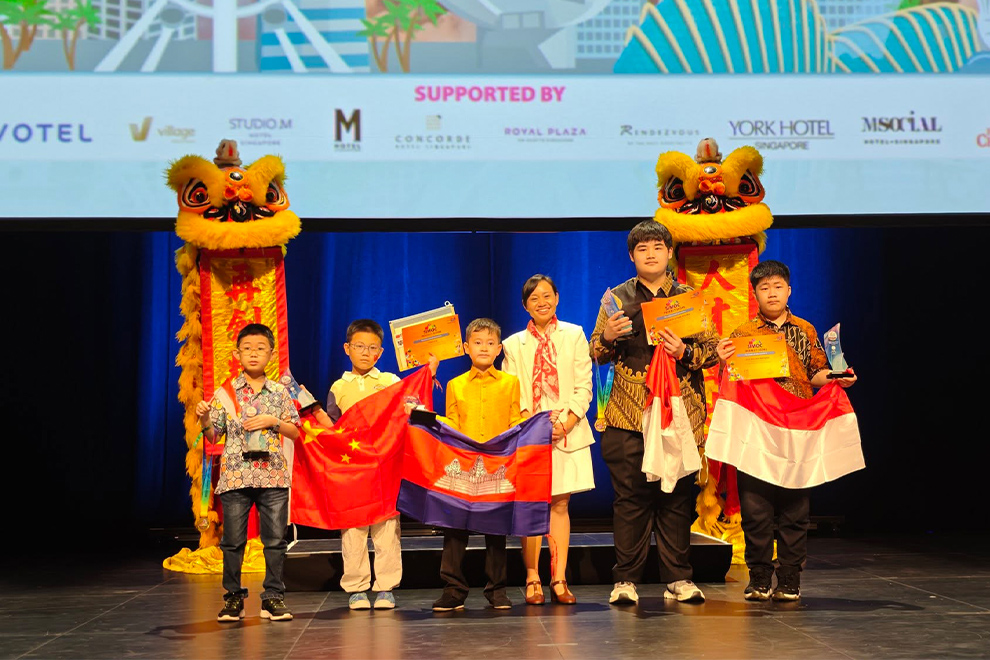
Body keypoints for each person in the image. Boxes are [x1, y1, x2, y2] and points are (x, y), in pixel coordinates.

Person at [589, 220, 719, 605]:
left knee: (676, 498)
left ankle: (678, 578)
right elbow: (595, 351)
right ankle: (625, 581)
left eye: (658, 247)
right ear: (631, 256)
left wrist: (684, 351)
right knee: (630, 500)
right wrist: (608, 337)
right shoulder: (615, 298)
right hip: (629, 412)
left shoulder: (689, 297)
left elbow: (712, 351)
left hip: (679, 409)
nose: (650, 254)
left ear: (669, 253)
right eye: (642, 248)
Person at [716, 260, 857, 602]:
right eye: (764, 288)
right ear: (754, 294)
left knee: (795, 510)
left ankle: (790, 578)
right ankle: (759, 578)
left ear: (789, 290)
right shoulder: (742, 334)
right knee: (756, 509)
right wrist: (723, 361)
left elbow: (816, 373)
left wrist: (838, 377)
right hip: (757, 430)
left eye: (778, 286)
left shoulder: (805, 330)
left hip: (796, 429)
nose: (772, 293)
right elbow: (732, 379)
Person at [325, 319, 437, 611]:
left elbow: (412, 405)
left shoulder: (390, 381)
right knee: (353, 529)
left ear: (381, 352)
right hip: (352, 469)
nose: (366, 352)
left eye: (372, 347)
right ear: (347, 348)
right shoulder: (339, 387)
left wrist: (428, 374)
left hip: (385, 467)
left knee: (386, 529)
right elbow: (333, 427)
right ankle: (357, 588)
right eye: (359, 346)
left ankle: (386, 587)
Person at [195, 323, 301, 623]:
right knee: (232, 541)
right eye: (247, 348)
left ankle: (273, 598)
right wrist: (205, 419)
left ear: (271, 354)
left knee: (275, 541)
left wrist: (272, 421)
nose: (254, 354)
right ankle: (233, 598)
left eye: (260, 348)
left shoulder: (280, 392)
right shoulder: (225, 393)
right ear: (236, 354)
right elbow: (213, 436)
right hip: (236, 476)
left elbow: (295, 432)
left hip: (272, 475)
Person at [502, 274, 595, 605]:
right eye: (534, 298)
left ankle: (559, 577)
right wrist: (536, 426)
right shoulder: (513, 344)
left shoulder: (575, 334)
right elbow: (512, 390)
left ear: (557, 298)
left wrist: (566, 423)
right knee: (531, 504)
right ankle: (532, 577)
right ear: (524, 305)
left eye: (547, 296)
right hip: (530, 433)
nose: (541, 302)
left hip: (567, 429)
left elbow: (584, 385)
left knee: (560, 504)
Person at [432, 318, 523, 612]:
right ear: (466, 347)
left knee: (495, 530)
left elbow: (515, 420)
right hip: (463, 464)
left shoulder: (510, 383)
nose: (484, 347)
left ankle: (497, 589)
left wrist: (535, 423)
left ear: (499, 349)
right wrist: (428, 419)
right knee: (455, 529)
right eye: (478, 342)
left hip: (496, 465)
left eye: (490, 342)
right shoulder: (455, 385)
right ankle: (453, 589)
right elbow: (452, 422)